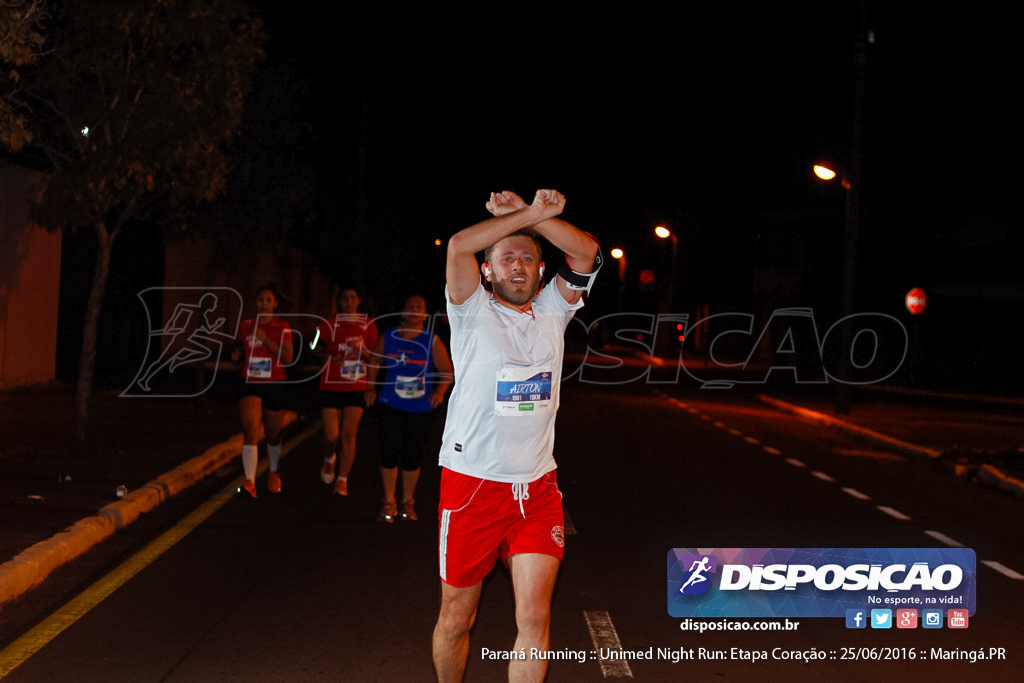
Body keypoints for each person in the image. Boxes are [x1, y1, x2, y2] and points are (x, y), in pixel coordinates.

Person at [432, 189, 600, 682]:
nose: (518, 266)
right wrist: (525, 216)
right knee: (457, 618)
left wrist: (531, 218)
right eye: (506, 259)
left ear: (542, 271)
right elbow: (459, 247)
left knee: (533, 617)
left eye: (528, 258)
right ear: (489, 272)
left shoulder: (554, 309)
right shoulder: (470, 309)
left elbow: (586, 252)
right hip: (471, 486)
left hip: (536, 489)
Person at [364, 295, 453, 523]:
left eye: (419, 307)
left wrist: (440, 392)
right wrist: (371, 388)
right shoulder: (390, 336)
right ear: (403, 312)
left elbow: (447, 370)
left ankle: (408, 501)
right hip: (390, 402)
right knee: (389, 450)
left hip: (420, 407)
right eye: (410, 306)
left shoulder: (430, 340)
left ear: (424, 315)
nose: (414, 310)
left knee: (412, 454)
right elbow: (374, 361)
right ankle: (388, 500)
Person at [314, 286, 379, 495]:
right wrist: (330, 356)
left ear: (359, 300)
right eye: (345, 298)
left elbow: (374, 357)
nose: (349, 302)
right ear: (339, 301)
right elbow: (313, 347)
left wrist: (363, 353)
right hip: (331, 385)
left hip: (356, 385)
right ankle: (329, 457)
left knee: (348, 436)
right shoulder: (328, 323)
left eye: (353, 298)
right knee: (331, 438)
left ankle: (342, 479)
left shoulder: (368, 325)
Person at [231, 285, 294, 497]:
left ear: (275, 304)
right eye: (260, 300)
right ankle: (250, 481)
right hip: (250, 381)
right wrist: (236, 353)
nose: (263, 304)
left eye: (268, 300)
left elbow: (288, 358)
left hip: (275, 383)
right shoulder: (246, 325)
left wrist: (266, 339)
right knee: (250, 428)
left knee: (272, 434)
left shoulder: (282, 327)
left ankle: (274, 471)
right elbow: (237, 347)